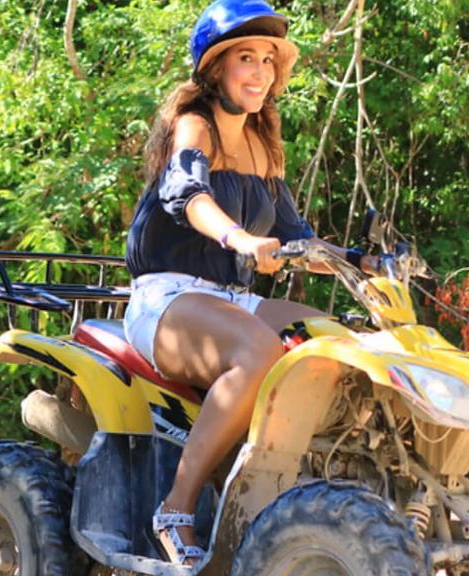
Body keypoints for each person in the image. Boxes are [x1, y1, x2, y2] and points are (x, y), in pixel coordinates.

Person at [123, 0, 375, 566]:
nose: (260, 71)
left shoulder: (263, 144)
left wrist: (362, 261)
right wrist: (239, 239)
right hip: (168, 297)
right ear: (216, 67)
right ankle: (176, 509)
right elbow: (188, 196)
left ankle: (314, 490)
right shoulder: (195, 126)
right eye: (246, 58)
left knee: (342, 346)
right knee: (259, 351)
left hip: (235, 299)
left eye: (267, 60)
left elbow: (295, 236)